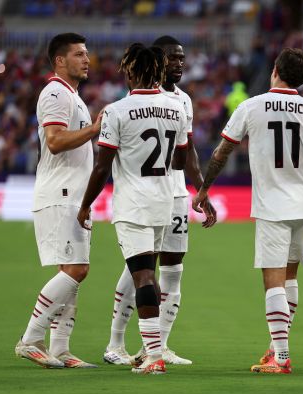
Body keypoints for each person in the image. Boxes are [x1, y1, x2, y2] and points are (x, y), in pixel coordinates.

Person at [192, 48, 303, 374]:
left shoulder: (251, 106)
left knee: (273, 280)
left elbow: (222, 151)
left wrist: (204, 188)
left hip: (272, 204)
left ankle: (281, 357)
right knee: (291, 275)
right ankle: (275, 348)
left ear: (275, 71)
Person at [77, 43, 189, 375]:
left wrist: (85, 205)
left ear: (129, 71)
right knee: (147, 273)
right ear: (158, 71)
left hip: (133, 205)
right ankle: (151, 350)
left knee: (142, 276)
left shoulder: (116, 111)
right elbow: (180, 159)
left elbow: (102, 167)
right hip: (164, 202)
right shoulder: (177, 108)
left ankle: (152, 355)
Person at [103, 35, 206, 367]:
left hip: (174, 196)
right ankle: (116, 343)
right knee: (140, 269)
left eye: (182, 58)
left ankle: (157, 346)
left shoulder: (183, 101)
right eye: (172, 58)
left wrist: (200, 191)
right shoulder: (140, 100)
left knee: (173, 271)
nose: (178, 64)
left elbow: (188, 155)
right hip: (149, 194)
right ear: (157, 62)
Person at [15, 33, 103, 369]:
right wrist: (95, 129)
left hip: (74, 196)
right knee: (76, 270)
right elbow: (54, 141)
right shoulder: (54, 92)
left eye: (87, 53)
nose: (87, 59)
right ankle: (30, 339)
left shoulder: (72, 96)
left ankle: (61, 348)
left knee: (72, 271)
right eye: (79, 54)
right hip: (60, 194)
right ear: (60, 61)